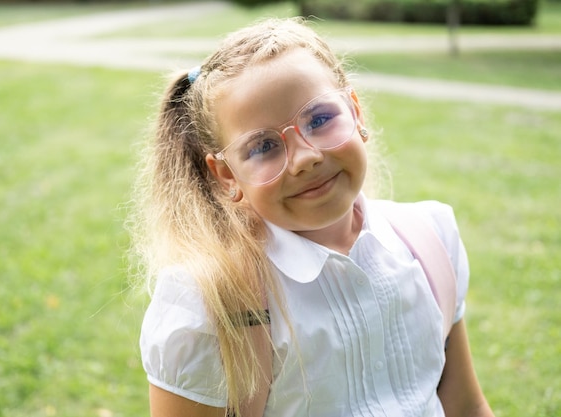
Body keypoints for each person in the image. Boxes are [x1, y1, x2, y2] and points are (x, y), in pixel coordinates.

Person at [130, 17, 494, 417]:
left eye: (319, 119)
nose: (306, 158)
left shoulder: (431, 240)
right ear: (228, 176)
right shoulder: (210, 303)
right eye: (264, 146)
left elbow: (466, 405)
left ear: (356, 112)